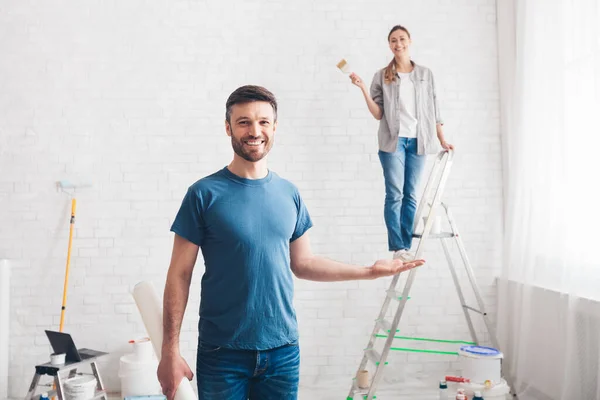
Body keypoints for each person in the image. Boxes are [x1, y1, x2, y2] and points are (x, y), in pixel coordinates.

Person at [157, 85, 425, 400]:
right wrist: (170, 351)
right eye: (243, 122)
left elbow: (304, 263)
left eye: (263, 122)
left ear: (274, 127)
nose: (254, 131)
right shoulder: (204, 194)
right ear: (228, 127)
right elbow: (179, 274)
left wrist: (369, 271)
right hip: (222, 352)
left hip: (282, 352)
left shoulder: (289, 193)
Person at [349, 25, 454, 261]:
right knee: (394, 194)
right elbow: (378, 114)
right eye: (394, 40)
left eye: (402, 39)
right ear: (389, 45)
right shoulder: (382, 76)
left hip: (420, 141)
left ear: (410, 41)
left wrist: (442, 140)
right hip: (393, 143)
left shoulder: (425, 75)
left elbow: (435, 110)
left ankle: (406, 246)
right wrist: (364, 89)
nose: (399, 44)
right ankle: (398, 248)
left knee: (411, 195)